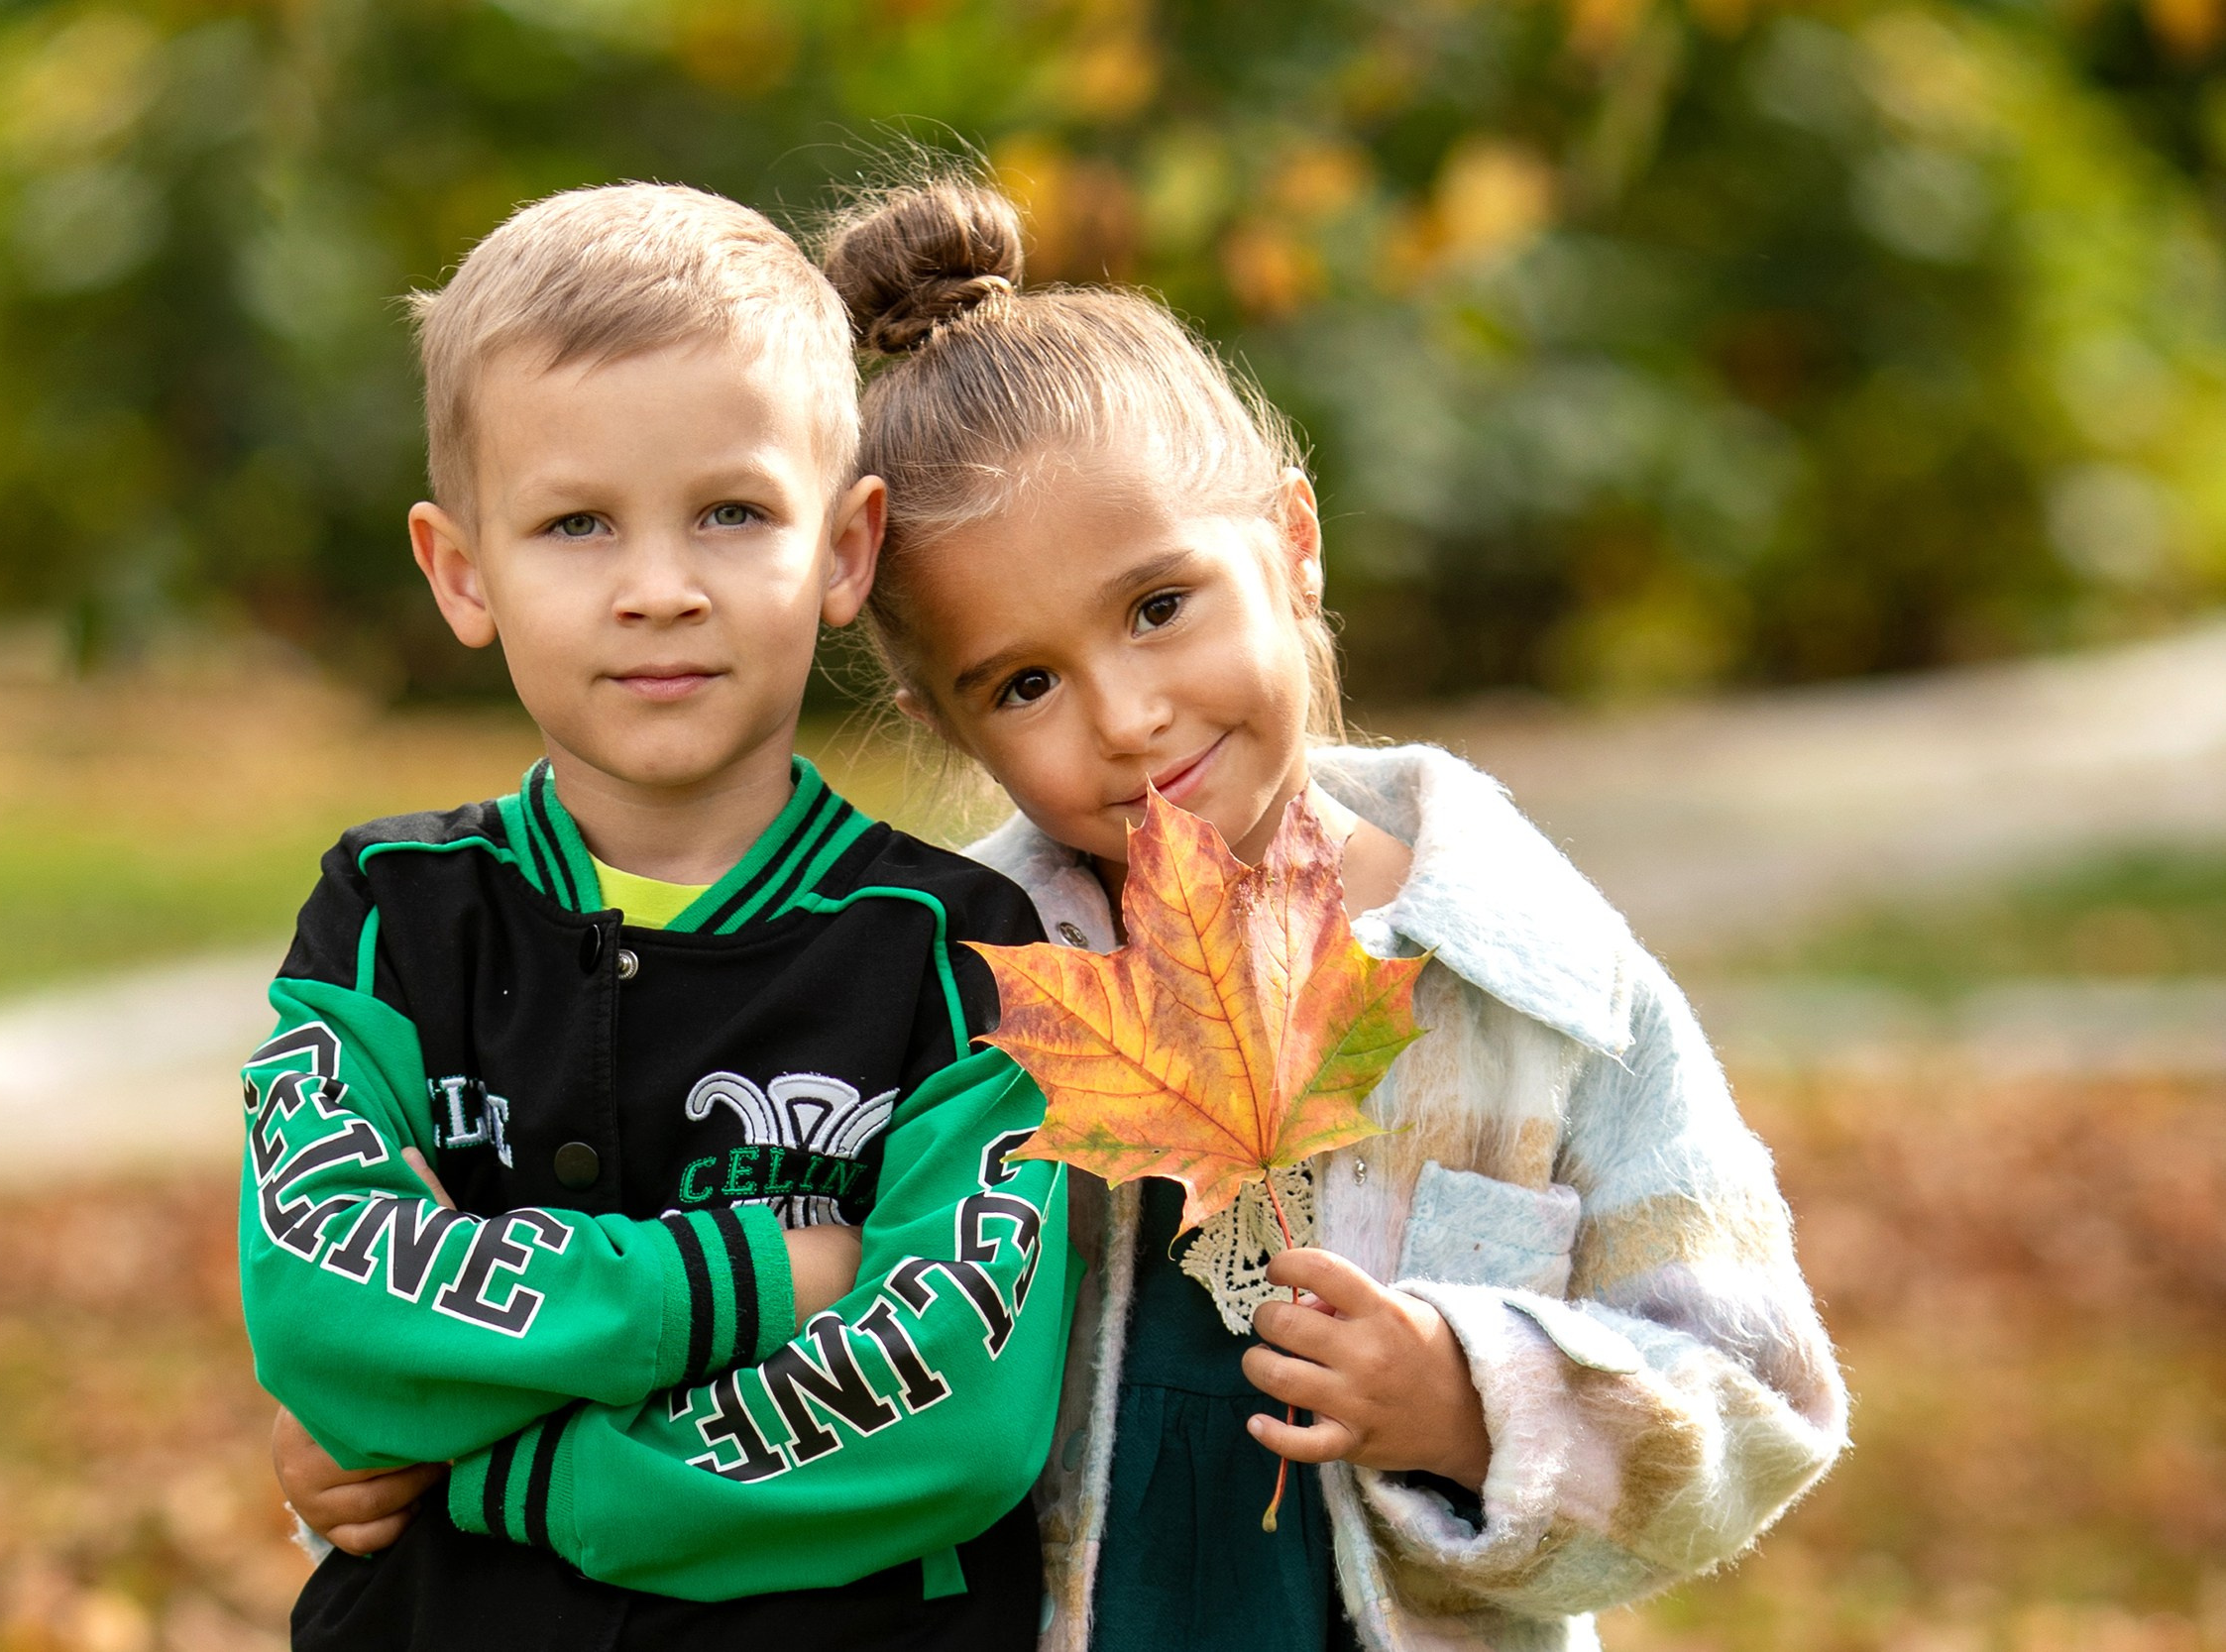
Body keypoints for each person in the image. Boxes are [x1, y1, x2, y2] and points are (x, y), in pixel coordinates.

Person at [818, 174, 1851, 1652]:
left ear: (1293, 543)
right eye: (1024, 684)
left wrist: (1473, 1399)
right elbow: (726, 1292)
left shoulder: (1533, 983)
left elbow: (1758, 1396)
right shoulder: (933, 995)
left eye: (1160, 605)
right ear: (948, 724)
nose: (1128, 714)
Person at [241, 181, 1076, 1652]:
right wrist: (755, 1276)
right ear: (461, 570)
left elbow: (951, 1412)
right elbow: (326, 1315)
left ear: (844, 550)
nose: (659, 589)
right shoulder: (389, 917)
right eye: (575, 524)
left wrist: (507, 1467)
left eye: (732, 513)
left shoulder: (959, 958)